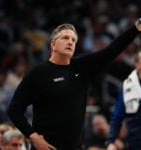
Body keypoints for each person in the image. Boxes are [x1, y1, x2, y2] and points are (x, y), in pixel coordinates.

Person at [7, 18, 141, 150]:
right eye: (65, 38)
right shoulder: (37, 73)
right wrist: (33, 136)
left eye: (73, 40)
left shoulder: (83, 67)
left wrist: (136, 28)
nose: (70, 42)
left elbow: (112, 50)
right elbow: (14, 109)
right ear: (53, 44)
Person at [107, 50, 141, 150]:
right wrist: (111, 141)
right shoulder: (127, 86)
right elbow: (118, 115)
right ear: (137, 65)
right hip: (136, 140)